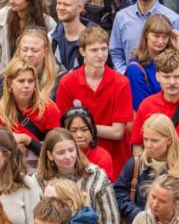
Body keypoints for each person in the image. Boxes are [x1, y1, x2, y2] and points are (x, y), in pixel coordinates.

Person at [55, 26, 133, 177]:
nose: (100, 55)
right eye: (94, 50)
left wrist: (80, 129)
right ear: (82, 51)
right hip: (78, 160)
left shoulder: (121, 83)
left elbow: (118, 132)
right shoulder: (67, 82)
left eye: (104, 49)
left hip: (115, 161)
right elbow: (63, 128)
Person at [37, 126, 119, 224]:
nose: (68, 156)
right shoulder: (40, 180)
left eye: (71, 150)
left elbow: (109, 222)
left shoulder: (96, 177)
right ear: (50, 155)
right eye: (61, 152)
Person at [116, 112, 179, 224]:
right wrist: (137, 214)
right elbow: (119, 193)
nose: (148, 145)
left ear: (169, 140)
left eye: (154, 140)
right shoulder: (135, 164)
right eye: (145, 139)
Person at [0, 0, 57, 79]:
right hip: (5, 79)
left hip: (35, 80)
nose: (11, 1)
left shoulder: (48, 24)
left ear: (29, 0)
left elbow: (50, 58)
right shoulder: (2, 16)